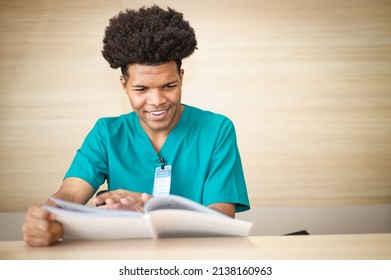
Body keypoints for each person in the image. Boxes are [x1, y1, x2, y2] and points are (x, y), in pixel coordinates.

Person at [23, 5, 250, 247]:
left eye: (169, 86)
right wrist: (46, 218)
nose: (157, 100)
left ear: (181, 77)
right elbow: (69, 195)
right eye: (141, 89)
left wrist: (148, 207)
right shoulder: (107, 134)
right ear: (124, 84)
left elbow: (221, 219)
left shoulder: (216, 130)